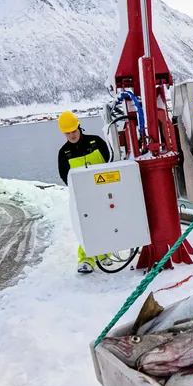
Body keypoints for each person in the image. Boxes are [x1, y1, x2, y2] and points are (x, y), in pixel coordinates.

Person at [57, 111, 112, 273]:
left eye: (73, 131)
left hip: (104, 191)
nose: (72, 135)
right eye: (68, 133)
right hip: (82, 196)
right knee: (86, 226)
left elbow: (111, 161)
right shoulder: (64, 153)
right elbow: (64, 176)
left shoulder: (97, 142)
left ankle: (103, 254)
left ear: (79, 128)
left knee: (106, 223)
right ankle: (86, 259)